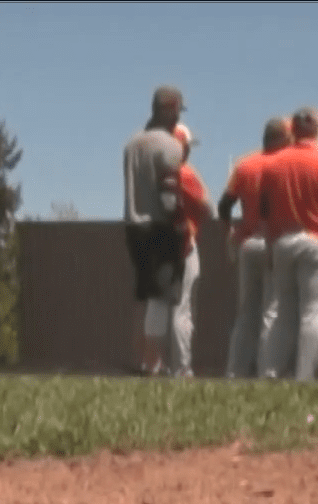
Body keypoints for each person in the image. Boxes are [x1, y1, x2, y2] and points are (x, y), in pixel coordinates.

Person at [257, 106, 318, 381]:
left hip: (283, 241)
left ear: (292, 129)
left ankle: (270, 371)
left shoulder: (272, 164)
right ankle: (304, 375)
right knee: (311, 314)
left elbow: (264, 214)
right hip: (313, 241)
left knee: (282, 312)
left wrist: (270, 248)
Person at [217, 116, 290, 379]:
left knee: (246, 312)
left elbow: (224, 205)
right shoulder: (284, 165)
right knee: (271, 309)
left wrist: (230, 233)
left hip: (247, 242)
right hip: (274, 242)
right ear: (281, 138)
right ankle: (265, 370)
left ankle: (234, 370)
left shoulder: (245, 164)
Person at [123, 86, 187, 376]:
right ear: (170, 109)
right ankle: (153, 362)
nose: (177, 118)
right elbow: (169, 195)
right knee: (160, 297)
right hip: (159, 226)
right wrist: (180, 223)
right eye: (177, 111)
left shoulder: (132, 144)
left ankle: (139, 358)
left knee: (142, 293)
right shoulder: (169, 145)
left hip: (133, 225)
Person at [163, 123, 212, 377]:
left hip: (158, 244)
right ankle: (181, 367)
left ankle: (163, 364)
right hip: (184, 243)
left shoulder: (155, 173)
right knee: (182, 309)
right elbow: (206, 207)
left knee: (163, 308)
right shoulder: (185, 173)